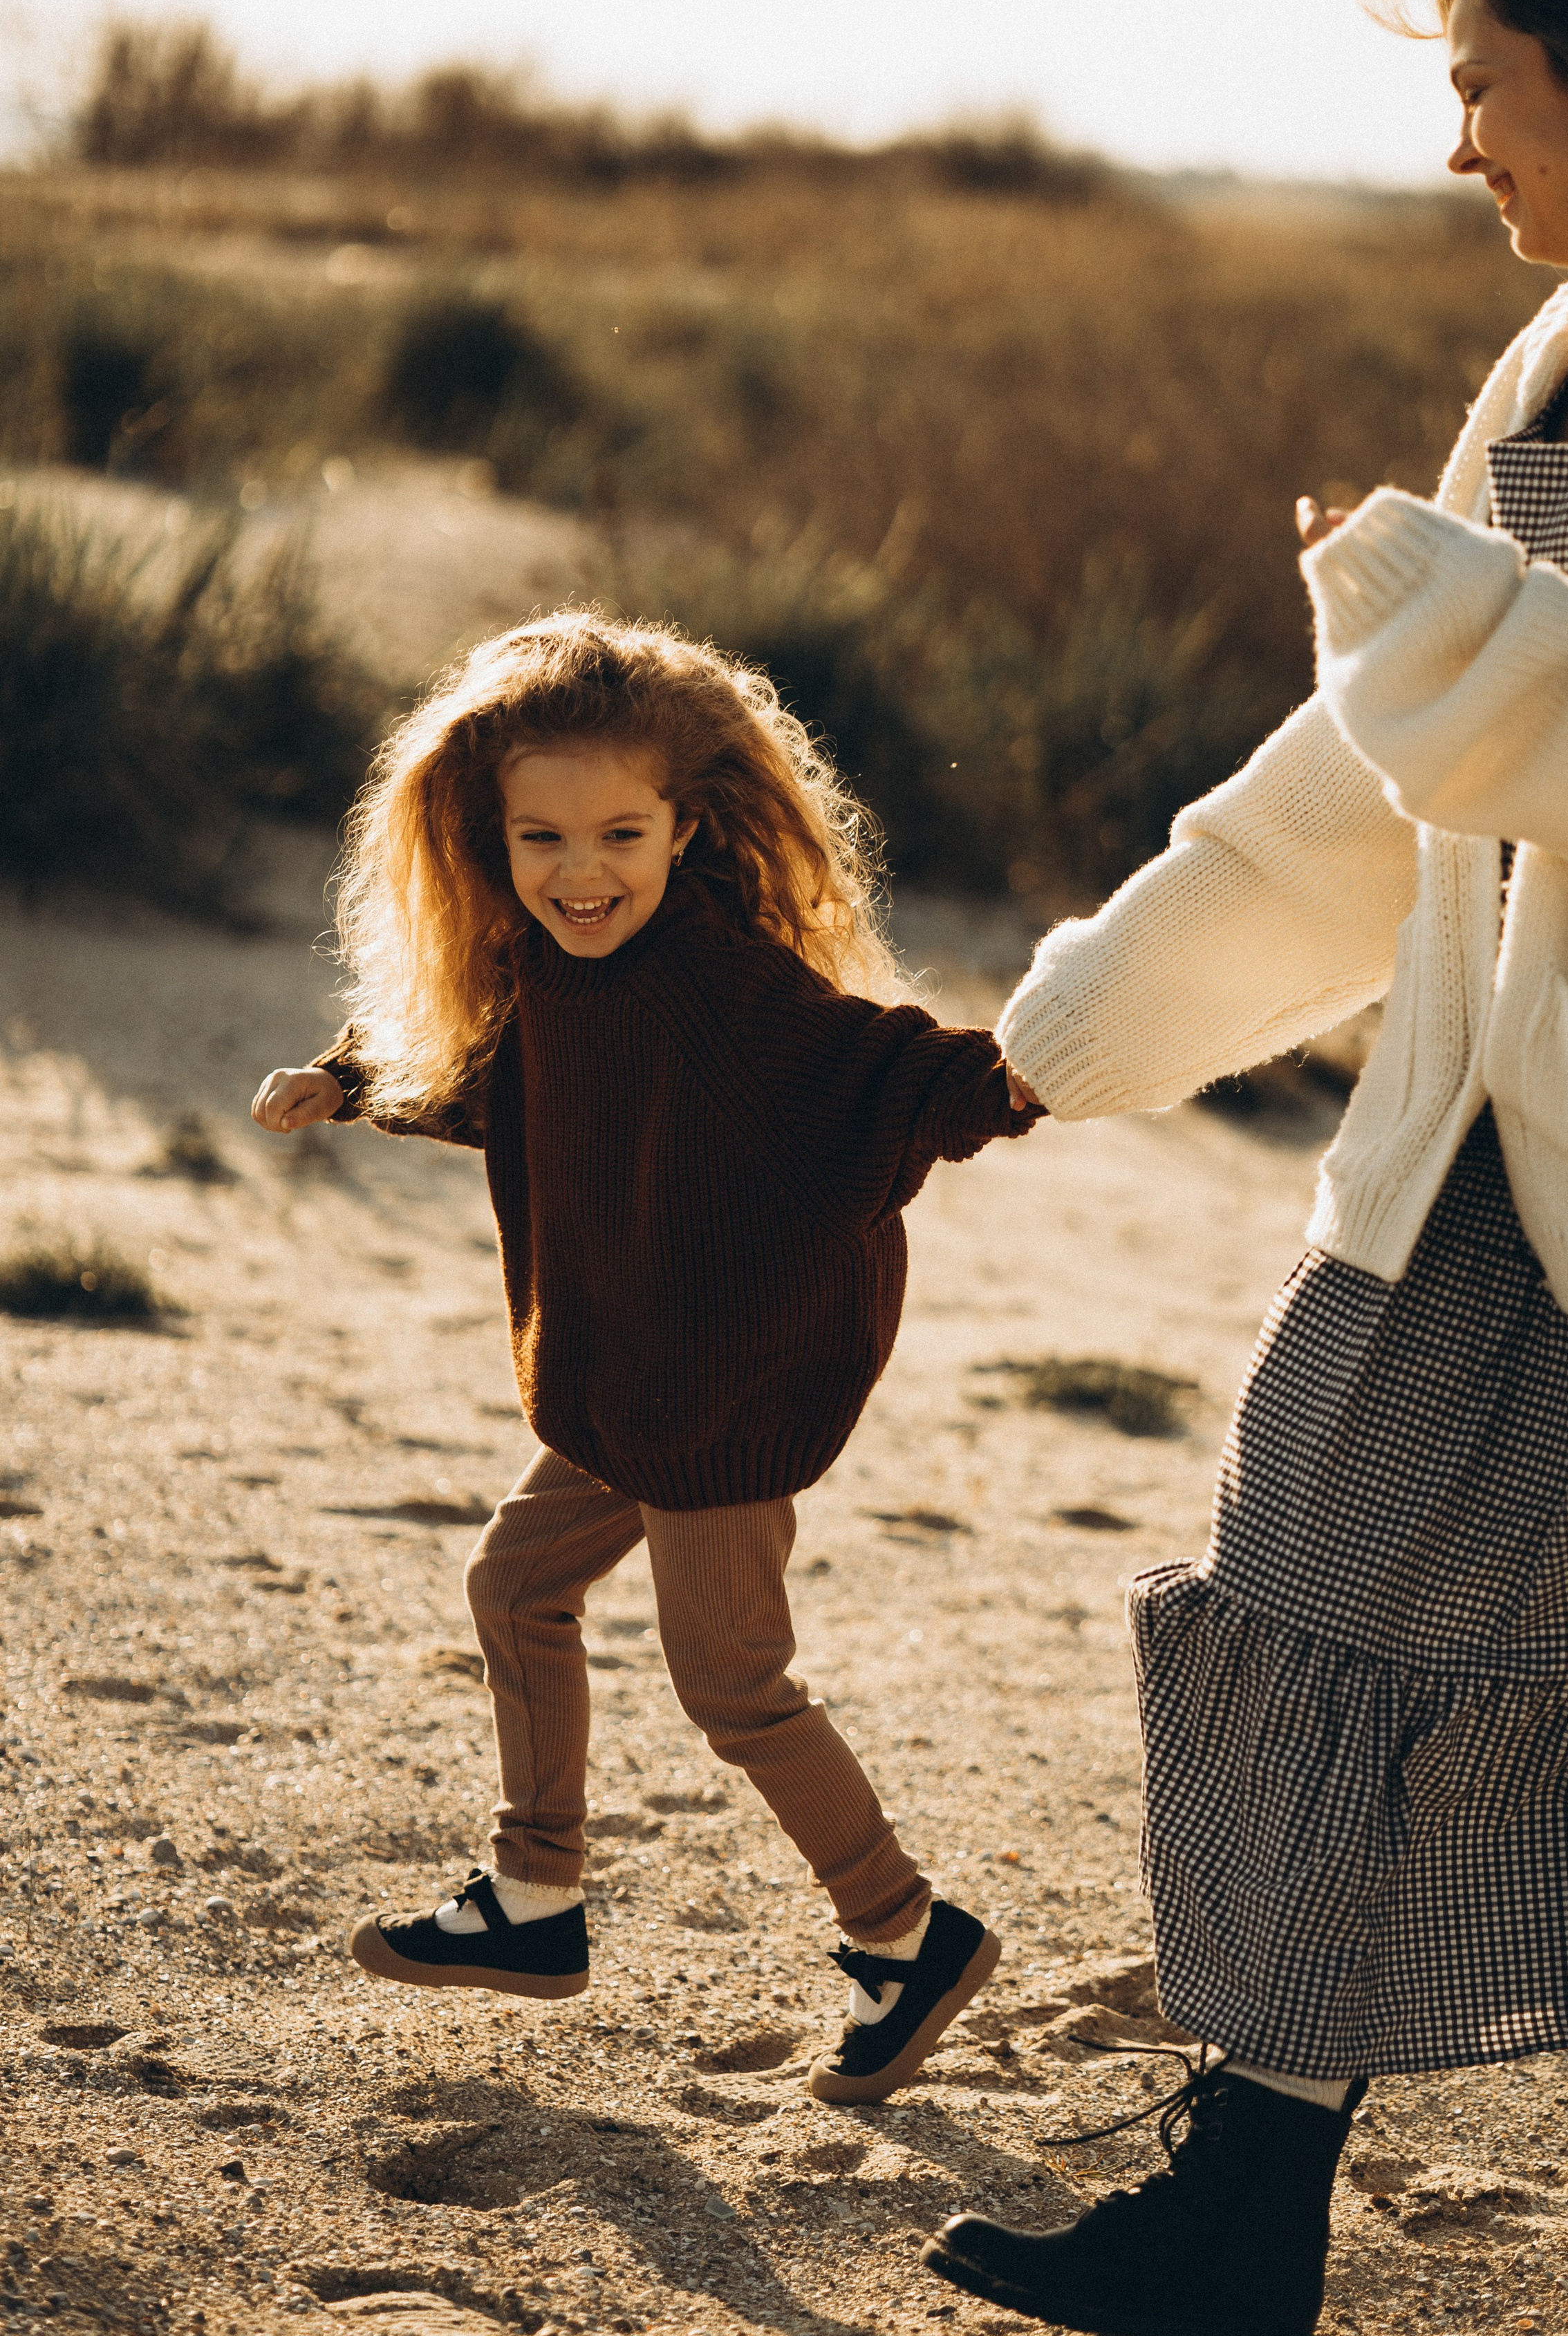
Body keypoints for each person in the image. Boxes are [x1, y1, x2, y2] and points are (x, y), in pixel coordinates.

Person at [921, 0, 1568, 2336]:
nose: (1455, 145)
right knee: (1316, 1562)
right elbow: (1380, 776)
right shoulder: (1561, 369)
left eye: (1490, 87)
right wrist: (1075, 1029)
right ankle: (1239, 2212)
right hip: (1511, 1151)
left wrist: (1436, 619)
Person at [251, 608, 1038, 2102]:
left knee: (733, 1683)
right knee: (516, 1586)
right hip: (631, 1380)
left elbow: (883, 1073)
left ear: (689, 826)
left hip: (727, 1386)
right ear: (487, 841)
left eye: (621, 833)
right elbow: (501, 1080)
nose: (580, 871)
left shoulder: (721, 983)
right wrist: (355, 1080)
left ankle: (903, 1931)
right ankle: (536, 1903)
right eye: (539, 838)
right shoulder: (558, 970)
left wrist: (1039, 1058)